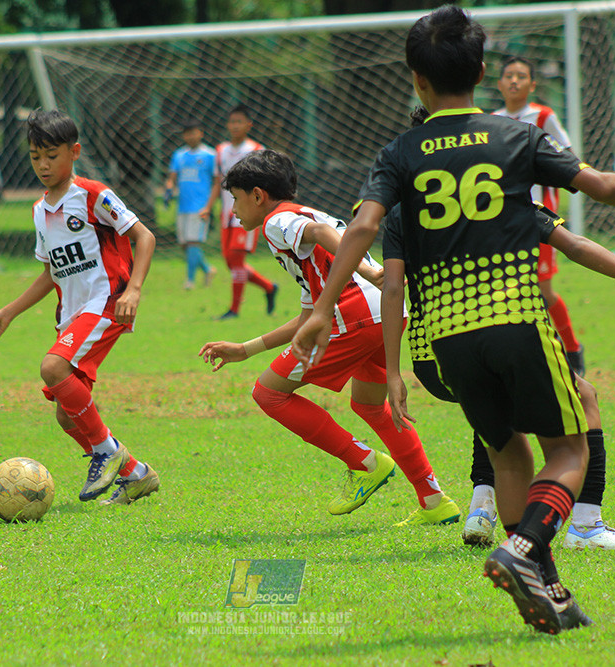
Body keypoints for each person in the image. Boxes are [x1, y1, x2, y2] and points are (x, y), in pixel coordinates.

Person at [291, 6, 615, 634]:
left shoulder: (400, 153)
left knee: (507, 452)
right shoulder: (515, 139)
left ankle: (541, 588)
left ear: (417, 80)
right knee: (571, 445)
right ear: (485, 71)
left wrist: (324, 307)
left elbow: (361, 227)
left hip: (445, 338)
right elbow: (596, 185)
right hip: (515, 319)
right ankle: (525, 549)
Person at [396, 106, 615, 551]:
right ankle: (583, 527)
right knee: (579, 400)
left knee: (493, 407)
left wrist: (391, 371)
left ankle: (482, 506)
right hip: (493, 331)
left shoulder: (400, 213)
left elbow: (391, 286)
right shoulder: (495, 200)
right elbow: (578, 244)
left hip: (431, 355)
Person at [199, 149, 460, 526]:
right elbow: (310, 314)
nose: (234, 211)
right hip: (382, 312)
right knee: (371, 406)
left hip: (353, 312)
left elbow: (323, 238)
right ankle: (435, 501)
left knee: (268, 393)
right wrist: (245, 348)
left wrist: (369, 272)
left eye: (236, 199)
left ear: (258, 195)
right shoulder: (307, 216)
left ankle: (365, 463)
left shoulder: (278, 221)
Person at [0, 108, 159, 507]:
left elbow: (145, 237)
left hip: (107, 302)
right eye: (35, 156)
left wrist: (134, 291)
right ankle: (136, 474)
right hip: (72, 315)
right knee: (66, 414)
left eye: (52, 155)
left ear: (74, 152)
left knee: (53, 367)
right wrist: (8, 311)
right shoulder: (39, 211)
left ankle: (107, 453)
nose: (43, 164)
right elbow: (51, 274)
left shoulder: (93, 196)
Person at [494, 56, 585, 376]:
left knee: (543, 291)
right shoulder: (493, 120)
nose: (514, 81)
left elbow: (568, 158)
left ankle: (572, 349)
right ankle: (529, 357)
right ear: (499, 83)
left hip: (539, 219)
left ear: (533, 85)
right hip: (502, 218)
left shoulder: (543, 116)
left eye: (521, 76)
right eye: (508, 75)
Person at [205, 104, 278, 319]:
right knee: (230, 262)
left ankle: (234, 310)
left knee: (236, 261)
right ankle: (268, 287)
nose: (235, 126)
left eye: (239, 121)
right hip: (227, 215)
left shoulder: (257, 149)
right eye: (232, 121)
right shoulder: (220, 151)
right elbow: (218, 182)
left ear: (248, 125)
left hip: (247, 215)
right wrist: (208, 208)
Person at [163, 119, 217, 289]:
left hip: (200, 206)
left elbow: (217, 180)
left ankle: (190, 281)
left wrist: (209, 205)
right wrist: (169, 189)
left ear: (201, 133)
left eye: (194, 132)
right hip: (183, 206)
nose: (191, 136)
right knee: (184, 244)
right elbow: (171, 178)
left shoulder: (210, 155)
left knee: (193, 242)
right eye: (188, 133)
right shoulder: (179, 155)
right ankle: (208, 269)